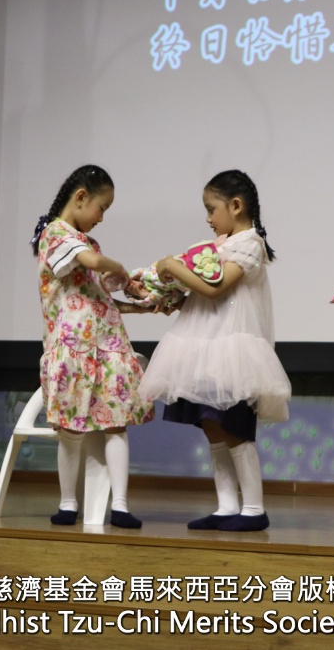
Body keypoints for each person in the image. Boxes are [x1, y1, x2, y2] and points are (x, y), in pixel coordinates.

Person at [139, 170, 291, 532]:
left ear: (236, 206)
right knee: (211, 425)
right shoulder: (219, 246)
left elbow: (216, 288)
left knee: (234, 426)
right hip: (204, 347)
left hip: (232, 352)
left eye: (212, 209)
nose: (208, 219)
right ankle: (226, 506)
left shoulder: (249, 244)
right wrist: (165, 292)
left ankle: (253, 508)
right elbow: (203, 293)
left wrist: (172, 265)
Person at [32, 165, 154, 528]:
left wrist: (143, 304)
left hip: (108, 345)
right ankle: (68, 503)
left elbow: (100, 298)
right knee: (70, 429)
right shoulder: (55, 234)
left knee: (117, 423)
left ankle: (121, 505)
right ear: (81, 197)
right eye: (102, 207)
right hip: (73, 349)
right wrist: (122, 270)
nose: (101, 217)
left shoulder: (86, 242)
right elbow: (96, 264)